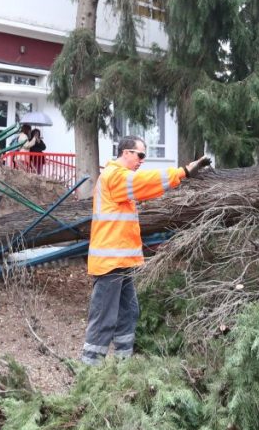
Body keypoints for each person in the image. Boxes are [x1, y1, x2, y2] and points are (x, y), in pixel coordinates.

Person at [80, 136, 212, 365]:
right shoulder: (115, 176)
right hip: (110, 264)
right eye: (140, 155)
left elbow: (145, 187)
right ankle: (89, 372)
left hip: (121, 263)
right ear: (126, 153)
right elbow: (145, 183)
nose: (142, 160)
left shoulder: (119, 178)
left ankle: (123, 366)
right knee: (104, 320)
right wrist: (182, 172)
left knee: (128, 313)